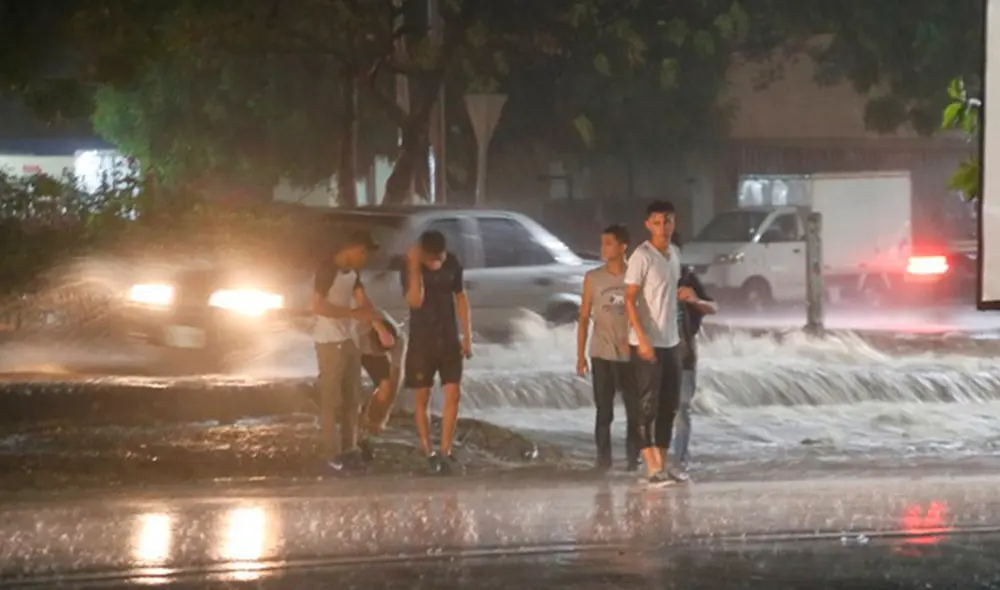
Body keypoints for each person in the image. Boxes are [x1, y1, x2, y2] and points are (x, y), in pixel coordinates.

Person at [311, 230, 395, 473]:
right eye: (363, 252)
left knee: (352, 398)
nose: (364, 257)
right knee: (331, 399)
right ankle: (330, 453)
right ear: (351, 248)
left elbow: (363, 302)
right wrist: (352, 314)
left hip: (349, 339)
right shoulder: (327, 270)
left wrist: (380, 327)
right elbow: (316, 306)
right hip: (329, 340)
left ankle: (349, 449)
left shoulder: (352, 273)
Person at [623, 200, 689, 486]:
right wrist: (642, 339)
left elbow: (667, 295)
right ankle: (651, 467)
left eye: (668, 222)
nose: (664, 228)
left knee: (669, 405)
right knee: (646, 406)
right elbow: (629, 299)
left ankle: (661, 463)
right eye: (658, 223)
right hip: (646, 342)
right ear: (648, 225)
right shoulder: (642, 255)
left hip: (671, 340)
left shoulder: (674, 253)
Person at [401, 230, 473, 474]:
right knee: (422, 397)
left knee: (453, 393)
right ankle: (428, 451)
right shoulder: (411, 267)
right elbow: (414, 300)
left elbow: (461, 297)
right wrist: (414, 266)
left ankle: (446, 450)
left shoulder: (452, 263)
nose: (437, 262)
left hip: (449, 338)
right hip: (422, 341)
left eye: (440, 257)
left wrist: (467, 336)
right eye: (432, 258)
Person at [577, 224, 638, 472]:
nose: (603, 248)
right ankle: (603, 461)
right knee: (604, 411)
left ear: (623, 247)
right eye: (602, 243)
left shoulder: (634, 276)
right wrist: (580, 356)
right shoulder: (593, 277)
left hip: (630, 354)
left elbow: (643, 315)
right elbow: (583, 318)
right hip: (601, 352)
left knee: (634, 411)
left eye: (609, 243)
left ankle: (634, 460)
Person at [671, 234, 718, 477]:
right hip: (654, 356)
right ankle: (651, 462)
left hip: (684, 355)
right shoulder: (648, 280)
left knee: (681, 409)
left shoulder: (688, 280)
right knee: (652, 411)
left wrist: (694, 299)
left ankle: (679, 461)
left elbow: (713, 307)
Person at [356, 310, 405, 461]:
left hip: (371, 349)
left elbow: (396, 380)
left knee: (386, 388)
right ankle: (354, 430)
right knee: (349, 392)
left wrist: (384, 414)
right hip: (352, 346)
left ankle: (368, 430)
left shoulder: (398, 341)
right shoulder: (357, 332)